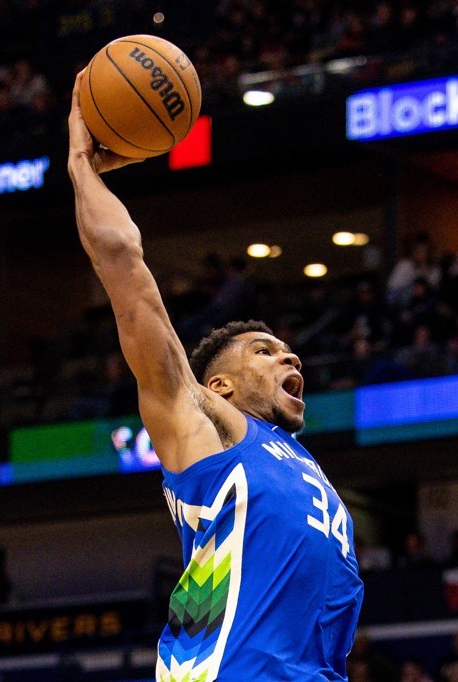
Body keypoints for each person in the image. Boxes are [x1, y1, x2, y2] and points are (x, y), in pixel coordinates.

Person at [67, 71, 363, 680]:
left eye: (287, 350)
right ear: (219, 386)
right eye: (264, 350)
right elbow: (124, 267)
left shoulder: (296, 459)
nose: (291, 358)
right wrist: (81, 167)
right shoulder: (205, 423)